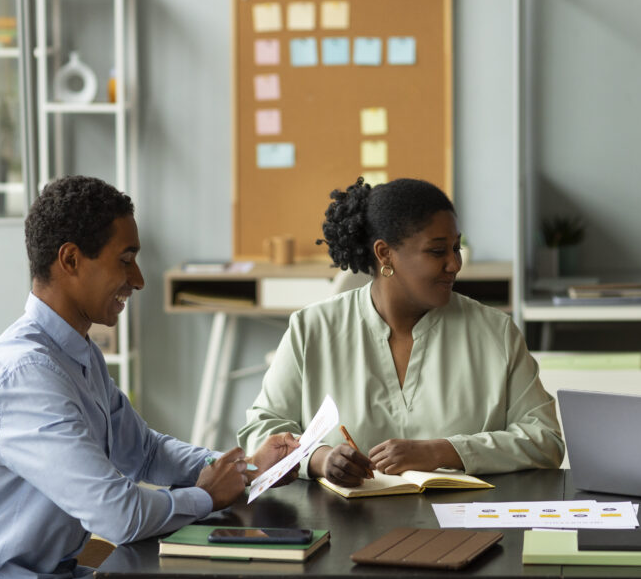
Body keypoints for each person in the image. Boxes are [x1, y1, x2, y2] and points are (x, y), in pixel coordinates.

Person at [0, 176, 300, 579]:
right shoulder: (25, 374)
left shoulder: (76, 354)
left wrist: (246, 467)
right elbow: (118, 515)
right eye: (126, 260)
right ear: (70, 260)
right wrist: (207, 495)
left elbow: (145, 452)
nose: (138, 280)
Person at [238, 177, 563, 486]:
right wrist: (319, 459)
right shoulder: (312, 329)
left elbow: (545, 439)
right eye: (437, 251)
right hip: (341, 526)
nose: (454, 264)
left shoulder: (495, 333)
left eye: (455, 248)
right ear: (384, 253)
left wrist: (442, 451)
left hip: (461, 525)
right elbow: (261, 430)